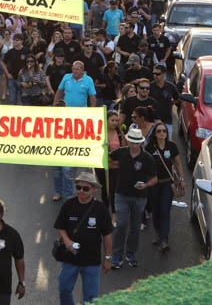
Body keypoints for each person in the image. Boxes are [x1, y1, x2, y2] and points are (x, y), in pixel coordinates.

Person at [54, 172, 113, 305]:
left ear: (94, 189)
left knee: (91, 298)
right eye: (78, 187)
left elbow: (107, 235)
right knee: (64, 290)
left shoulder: (100, 209)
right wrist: (67, 241)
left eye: (85, 188)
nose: (81, 191)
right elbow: (60, 226)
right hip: (70, 259)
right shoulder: (68, 205)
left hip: (91, 261)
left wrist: (108, 258)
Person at [109, 126, 157, 269]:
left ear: (141, 143)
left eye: (137, 143)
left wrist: (146, 185)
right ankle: (117, 255)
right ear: (128, 141)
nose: (135, 145)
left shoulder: (147, 158)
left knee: (135, 227)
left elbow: (154, 178)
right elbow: (108, 156)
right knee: (122, 224)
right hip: (121, 195)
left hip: (139, 197)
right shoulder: (121, 152)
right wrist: (106, 151)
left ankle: (130, 253)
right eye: (132, 142)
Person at [144, 120, 184, 252]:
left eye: (164, 131)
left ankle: (165, 239)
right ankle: (157, 232)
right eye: (159, 131)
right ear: (155, 134)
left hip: (168, 183)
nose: (162, 133)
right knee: (156, 210)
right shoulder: (150, 147)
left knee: (165, 211)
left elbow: (178, 164)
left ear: (167, 133)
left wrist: (181, 179)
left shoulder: (172, 146)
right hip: (154, 184)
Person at [149, 65, 179, 140]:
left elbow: (177, 98)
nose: (155, 76)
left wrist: (170, 104)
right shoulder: (149, 87)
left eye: (157, 74)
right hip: (151, 121)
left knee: (168, 142)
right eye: (154, 73)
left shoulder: (171, 87)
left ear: (164, 74)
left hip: (167, 120)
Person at [2, 33, 29, 104]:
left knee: (25, 101)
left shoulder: (27, 51)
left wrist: (24, 69)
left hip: (24, 80)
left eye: (17, 40)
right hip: (12, 79)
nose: (14, 42)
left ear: (22, 41)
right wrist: (7, 73)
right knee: (12, 101)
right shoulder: (10, 52)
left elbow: (32, 63)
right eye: (13, 40)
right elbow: (3, 62)